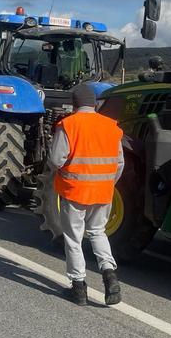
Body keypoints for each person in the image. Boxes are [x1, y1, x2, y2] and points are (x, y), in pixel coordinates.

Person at [47, 84, 125, 306]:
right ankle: (110, 278)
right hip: (103, 192)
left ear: (74, 104)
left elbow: (55, 160)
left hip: (75, 191)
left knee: (74, 239)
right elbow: (120, 163)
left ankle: (79, 288)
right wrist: (107, 184)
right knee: (98, 232)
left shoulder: (69, 125)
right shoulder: (111, 127)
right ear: (95, 104)